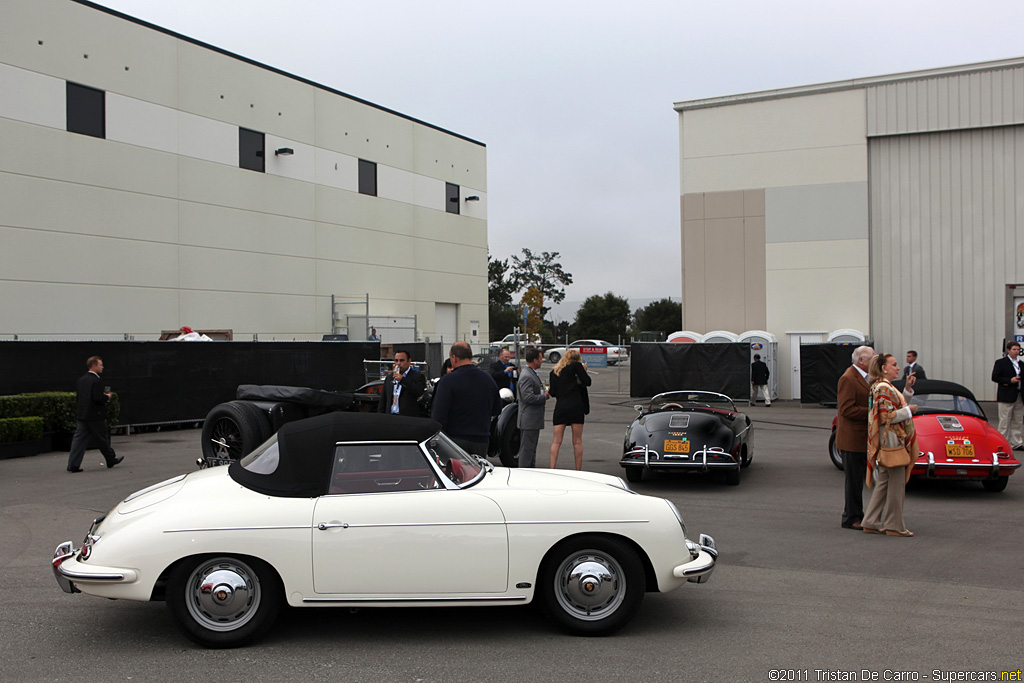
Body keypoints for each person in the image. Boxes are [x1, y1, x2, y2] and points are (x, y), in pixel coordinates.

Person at [862, 353, 919, 537]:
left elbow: (892, 409)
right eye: (894, 365)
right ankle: (894, 525)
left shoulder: (884, 387)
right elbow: (886, 417)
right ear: (883, 368)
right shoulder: (883, 388)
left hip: (889, 441)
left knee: (884, 483)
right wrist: (908, 412)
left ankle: (871, 520)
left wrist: (908, 390)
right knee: (896, 484)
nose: (897, 368)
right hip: (893, 442)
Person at [431, 341, 502, 456]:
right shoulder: (487, 379)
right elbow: (497, 409)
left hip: (454, 441)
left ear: (454, 358)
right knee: (477, 473)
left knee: (455, 473)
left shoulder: (447, 381)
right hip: (481, 441)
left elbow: (438, 416)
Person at [836, 345, 874, 529]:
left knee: (859, 480)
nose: (875, 361)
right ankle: (851, 517)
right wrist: (873, 412)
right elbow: (846, 409)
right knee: (853, 481)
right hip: (852, 440)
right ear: (861, 361)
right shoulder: (849, 378)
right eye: (872, 358)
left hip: (862, 439)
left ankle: (858, 513)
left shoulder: (866, 377)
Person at [66, 356, 122, 472]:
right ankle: (110, 458)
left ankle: (73, 464)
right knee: (102, 438)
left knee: (79, 440)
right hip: (95, 415)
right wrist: (106, 397)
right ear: (94, 365)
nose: (102, 367)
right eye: (101, 365)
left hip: (82, 415)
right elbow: (97, 398)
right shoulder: (96, 381)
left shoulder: (81, 380)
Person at [548, 348, 591, 470]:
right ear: (577, 359)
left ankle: (552, 468)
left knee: (556, 441)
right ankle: (578, 470)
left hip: (561, 406)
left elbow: (553, 392)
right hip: (575, 406)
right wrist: (584, 371)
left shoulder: (554, 372)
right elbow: (587, 382)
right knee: (577, 441)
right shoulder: (576, 366)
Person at [516, 347, 549, 468]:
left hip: (532, 420)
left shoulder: (531, 373)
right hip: (529, 420)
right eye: (540, 359)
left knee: (531, 449)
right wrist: (544, 397)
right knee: (527, 450)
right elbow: (527, 397)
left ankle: (530, 471)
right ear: (535, 360)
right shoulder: (527, 375)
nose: (542, 361)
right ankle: (524, 473)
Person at [991, 341, 1024, 450]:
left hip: (1019, 395)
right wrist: (1009, 380)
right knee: (1004, 420)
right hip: (1006, 395)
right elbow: (995, 377)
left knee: (1018, 420)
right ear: (1008, 350)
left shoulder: (1021, 364)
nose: (1016, 352)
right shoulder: (1001, 363)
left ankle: (1017, 442)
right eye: (1014, 349)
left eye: (1018, 350)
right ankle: (1001, 442)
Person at [377, 349, 427, 417]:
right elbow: (383, 399)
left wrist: (403, 380)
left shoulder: (417, 376)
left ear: (409, 361)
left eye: (402, 360)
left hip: (407, 417)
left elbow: (418, 391)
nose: (398, 363)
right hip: (390, 416)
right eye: (396, 360)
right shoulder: (389, 378)